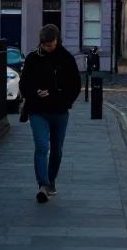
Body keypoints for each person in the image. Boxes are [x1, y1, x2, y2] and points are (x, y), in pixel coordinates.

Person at [19, 24, 82, 203]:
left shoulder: (66, 59)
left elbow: (75, 86)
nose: (49, 46)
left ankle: (51, 180)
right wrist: (35, 93)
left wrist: (56, 95)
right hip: (38, 110)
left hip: (60, 112)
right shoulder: (32, 58)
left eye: (51, 43)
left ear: (57, 40)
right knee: (41, 146)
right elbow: (24, 85)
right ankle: (42, 184)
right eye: (45, 44)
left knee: (56, 151)